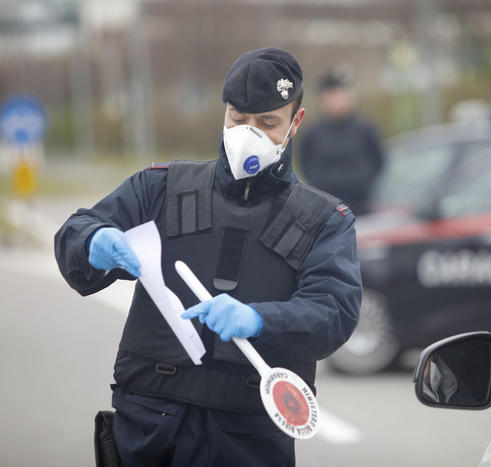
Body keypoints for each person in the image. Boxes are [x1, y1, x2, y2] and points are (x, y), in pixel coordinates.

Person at [54, 48, 362, 466]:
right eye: (238, 118)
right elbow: (76, 231)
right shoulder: (161, 187)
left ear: (296, 122)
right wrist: (94, 241)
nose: (248, 132)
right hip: (149, 423)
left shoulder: (324, 220)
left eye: (268, 122)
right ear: (224, 113)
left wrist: (259, 319)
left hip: (248, 436)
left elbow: (334, 313)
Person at [299, 66, 384, 216]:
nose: (337, 102)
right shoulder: (312, 132)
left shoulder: (364, 129)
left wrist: (363, 180)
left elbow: (378, 160)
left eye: (341, 96)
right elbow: (305, 163)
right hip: (325, 208)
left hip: (360, 207)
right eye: (332, 96)